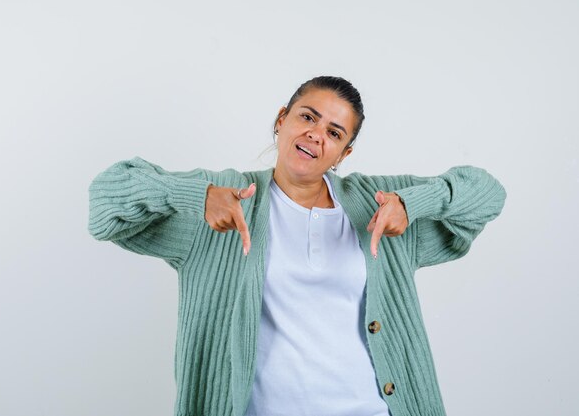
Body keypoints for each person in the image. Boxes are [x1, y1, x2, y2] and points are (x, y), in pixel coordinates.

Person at [88, 76, 506, 416]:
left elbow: (488, 193)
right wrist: (193, 196)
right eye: (308, 116)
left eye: (334, 132)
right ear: (282, 119)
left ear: (344, 152)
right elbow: (105, 200)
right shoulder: (227, 200)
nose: (315, 135)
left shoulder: (378, 203)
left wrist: (413, 205)